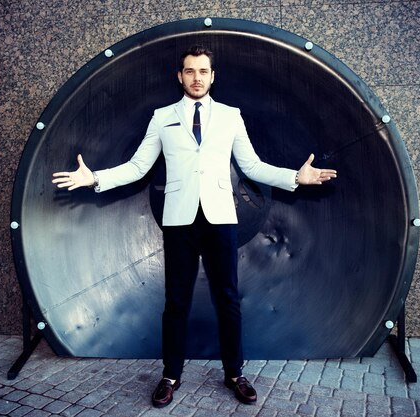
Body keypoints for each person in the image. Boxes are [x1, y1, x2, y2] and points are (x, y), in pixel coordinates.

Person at [52, 45, 337, 408]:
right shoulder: (162, 116)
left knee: (228, 299)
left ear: (213, 76)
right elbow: (138, 166)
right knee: (176, 301)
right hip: (180, 221)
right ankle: (170, 376)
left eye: (203, 71)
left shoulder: (231, 116)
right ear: (180, 76)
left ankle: (235, 373)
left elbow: (252, 166)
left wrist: (296, 176)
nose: (197, 77)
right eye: (190, 71)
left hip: (220, 219)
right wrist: (94, 178)